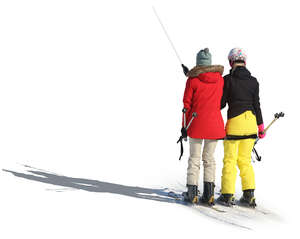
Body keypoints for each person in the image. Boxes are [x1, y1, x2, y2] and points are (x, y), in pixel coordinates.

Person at [217, 48, 265, 207]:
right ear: (245, 61)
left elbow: (222, 104)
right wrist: (261, 126)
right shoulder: (253, 81)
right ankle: (249, 195)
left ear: (231, 62)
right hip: (251, 123)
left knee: (230, 160)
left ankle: (227, 195)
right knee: (245, 161)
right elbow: (256, 105)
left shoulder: (227, 80)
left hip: (235, 123)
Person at [181, 48, 226, 205]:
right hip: (215, 124)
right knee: (209, 159)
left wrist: (184, 126)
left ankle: (192, 193)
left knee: (194, 158)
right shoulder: (220, 80)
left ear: (198, 63)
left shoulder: (192, 81)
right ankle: (209, 194)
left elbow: (186, 105)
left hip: (196, 123)